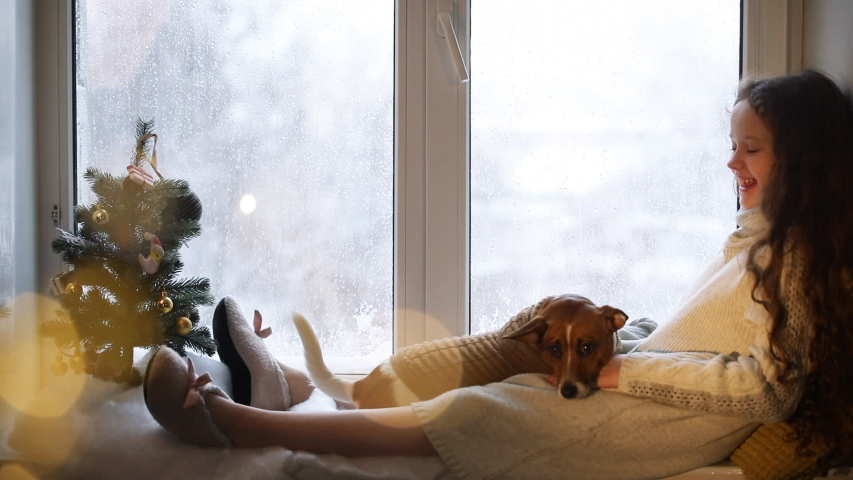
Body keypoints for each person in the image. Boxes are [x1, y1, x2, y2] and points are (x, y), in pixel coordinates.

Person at [143, 69, 853, 479]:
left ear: (804, 158)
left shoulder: (793, 262)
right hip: (646, 396)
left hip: (665, 427)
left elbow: (765, 390)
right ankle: (293, 389)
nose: (732, 165)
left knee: (470, 414)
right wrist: (626, 340)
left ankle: (250, 427)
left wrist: (622, 373)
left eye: (750, 150)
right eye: (732, 147)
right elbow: (701, 337)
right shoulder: (757, 239)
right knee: (508, 378)